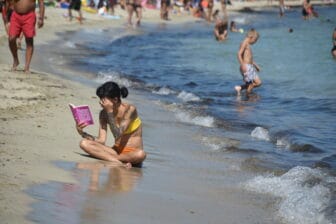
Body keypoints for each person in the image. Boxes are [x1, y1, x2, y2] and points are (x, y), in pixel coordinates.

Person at [76, 81, 147, 167]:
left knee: (141, 154)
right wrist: (82, 133)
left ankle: (110, 158)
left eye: (103, 100)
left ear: (115, 100)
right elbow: (101, 140)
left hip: (132, 154)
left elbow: (118, 135)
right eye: (100, 99)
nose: (101, 103)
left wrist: (110, 112)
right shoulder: (103, 113)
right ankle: (117, 161)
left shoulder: (130, 110)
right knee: (84, 143)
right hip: (115, 151)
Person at [6, 0, 44, 73]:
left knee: (29, 40)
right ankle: (15, 60)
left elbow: (41, 3)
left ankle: (27, 67)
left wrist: (41, 18)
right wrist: (7, 17)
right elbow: (9, 2)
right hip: (15, 15)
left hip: (29, 16)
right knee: (11, 38)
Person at [235, 29, 262, 95]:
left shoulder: (247, 44)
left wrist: (256, 66)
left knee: (258, 83)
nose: (255, 42)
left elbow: (249, 58)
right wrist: (242, 65)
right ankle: (247, 97)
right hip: (246, 66)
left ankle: (240, 88)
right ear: (251, 37)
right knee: (251, 85)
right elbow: (239, 54)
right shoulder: (244, 43)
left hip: (250, 66)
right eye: (255, 40)